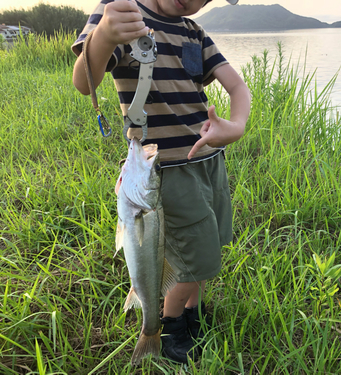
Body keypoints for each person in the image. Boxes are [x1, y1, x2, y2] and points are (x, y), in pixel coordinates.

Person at [72, 0, 250, 364]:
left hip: (211, 161)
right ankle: (167, 325)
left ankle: (192, 312)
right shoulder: (121, 12)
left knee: (211, 240)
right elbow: (83, 81)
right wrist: (104, 34)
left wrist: (237, 125)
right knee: (193, 258)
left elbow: (237, 85)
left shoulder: (193, 31)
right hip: (165, 170)